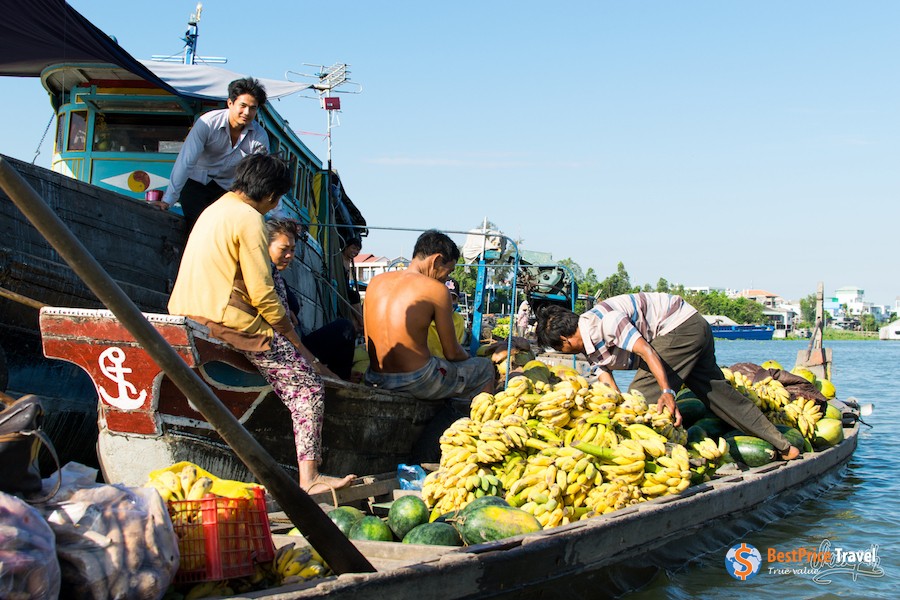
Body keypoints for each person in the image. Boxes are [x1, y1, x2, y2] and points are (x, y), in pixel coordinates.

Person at [167, 153, 355, 492]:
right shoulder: (249, 218)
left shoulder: (214, 209)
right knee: (308, 387)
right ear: (271, 194)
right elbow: (263, 294)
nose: (275, 205)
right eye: (278, 198)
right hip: (224, 317)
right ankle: (310, 478)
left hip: (185, 308)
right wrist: (291, 338)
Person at [535, 292, 801, 461]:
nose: (563, 352)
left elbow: (647, 352)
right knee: (717, 395)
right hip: (692, 326)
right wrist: (612, 410)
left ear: (564, 339)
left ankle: (651, 460)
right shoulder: (588, 342)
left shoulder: (605, 321)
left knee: (640, 396)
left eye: (560, 348)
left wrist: (666, 391)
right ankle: (784, 446)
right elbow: (606, 378)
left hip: (681, 328)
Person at [363, 230, 495, 399]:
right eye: (448, 272)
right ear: (437, 260)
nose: (445, 278)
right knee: (484, 368)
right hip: (418, 380)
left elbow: (368, 343)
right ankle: (478, 423)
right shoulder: (437, 290)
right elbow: (452, 353)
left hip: (375, 377)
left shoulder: (375, 282)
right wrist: (469, 359)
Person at [150, 77, 270, 234]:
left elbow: (264, 175)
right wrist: (168, 200)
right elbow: (186, 161)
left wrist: (275, 213)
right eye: (243, 106)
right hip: (195, 184)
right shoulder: (207, 123)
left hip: (227, 191)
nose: (247, 112)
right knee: (197, 228)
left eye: (253, 108)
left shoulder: (259, 136)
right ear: (230, 103)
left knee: (224, 232)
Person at [266, 218, 357, 381]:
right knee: (345, 327)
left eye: (293, 250)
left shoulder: (277, 277)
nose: (289, 256)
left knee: (344, 328)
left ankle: (342, 378)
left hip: (297, 342)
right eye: (284, 249)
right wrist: (314, 363)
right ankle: (338, 381)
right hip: (285, 348)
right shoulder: (263, 276)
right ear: (266, 246)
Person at [427, 279, 467, 358]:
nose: (448, 302)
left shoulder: (459, 320)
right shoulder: (425, 318)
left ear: (457, 300)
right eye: (444, 297)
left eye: (453, 298)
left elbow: (456, 348)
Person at [340, 236, 364, 334]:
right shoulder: (339, 258)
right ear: (346, 247)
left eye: (358, 250)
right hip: (341, 288)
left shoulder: (348, 260)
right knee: (354, 295)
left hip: (346, 288)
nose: (355, 251)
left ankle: (359, 325)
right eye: (353, 248)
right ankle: (362, 322)